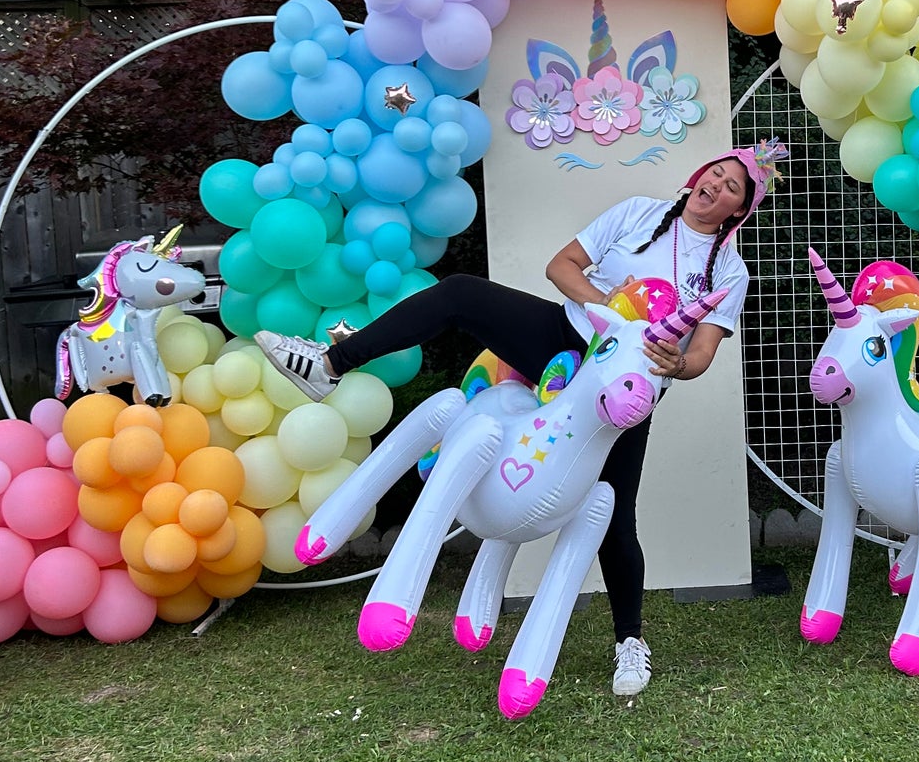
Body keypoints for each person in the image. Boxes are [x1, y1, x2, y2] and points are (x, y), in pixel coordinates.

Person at [255, 141, 785, 697]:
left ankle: (630, 640)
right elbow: (562, 266)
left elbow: (701, 355)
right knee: (460, 293)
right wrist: (610, 303)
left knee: (613, 514)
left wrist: (677, 363)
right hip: (567, 341)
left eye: (733, 187)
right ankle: (329, 363)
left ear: (738, 211)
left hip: (619, 389)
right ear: (698, 174)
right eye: (716, 172)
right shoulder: (637, 212)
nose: (717, 186)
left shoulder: (728, 270)